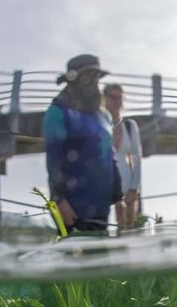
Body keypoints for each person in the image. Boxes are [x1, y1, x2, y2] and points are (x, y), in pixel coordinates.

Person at [43, 54, 121, 233]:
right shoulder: (57, 113)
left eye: (96, 77)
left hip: (101, 206)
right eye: (88, 76)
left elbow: (110, 157)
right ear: (73, 80)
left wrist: (118, 197)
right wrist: (59, 199)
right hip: (72, 208)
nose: (93, 82)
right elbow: (53, 160)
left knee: (103, 257)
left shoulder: (103, 116)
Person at [102, 83, 143, 229]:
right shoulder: (98, 124)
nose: (117, 101)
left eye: (119, 97)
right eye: (112, 97)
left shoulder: (130, 126)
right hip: (104, 187)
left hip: (127, 189)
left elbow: (137, 159)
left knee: (128, 230)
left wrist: (134, 189)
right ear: (104, 98)